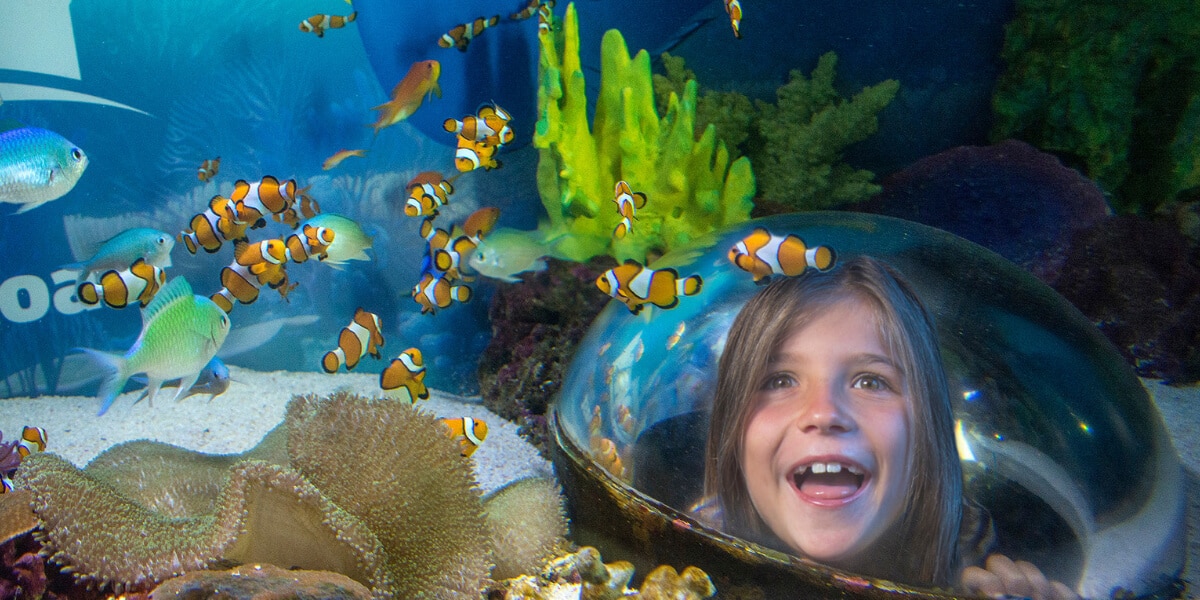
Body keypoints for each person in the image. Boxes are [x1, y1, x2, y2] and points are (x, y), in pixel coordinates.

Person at [701, 255, 1078, 599]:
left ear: (929, 429)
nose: (824, 413)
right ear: (731, 427)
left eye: (871, 382)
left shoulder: (970, 541)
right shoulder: (701, 538)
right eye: (779, 381)